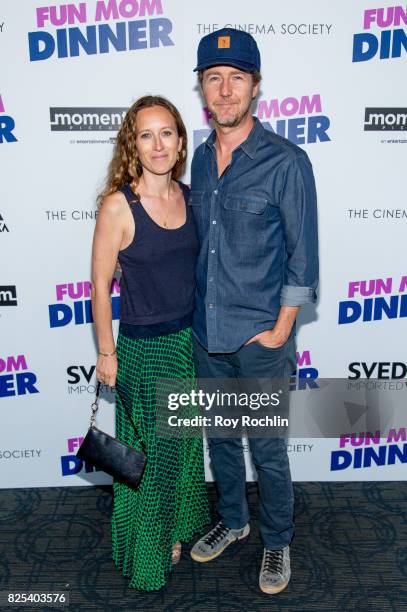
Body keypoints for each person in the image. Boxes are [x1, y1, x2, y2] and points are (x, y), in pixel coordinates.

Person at [189, 29, 319, 595]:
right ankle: (235, 522)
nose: (224, 90)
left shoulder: (287, 161)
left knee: (266, 449)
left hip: (259, 338)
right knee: (219, 441)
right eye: (213, 78)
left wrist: (281, 330)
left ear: (255, 87)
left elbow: (303, 256)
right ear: (202, 89)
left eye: (235, 78)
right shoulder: (195, 156)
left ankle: (276, 540)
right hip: (205, 332)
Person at [91, 95, 210, 591]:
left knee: (182, 451)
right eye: (146, 134)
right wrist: (106, 351)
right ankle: (145, 553)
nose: (158, 144)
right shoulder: (119, 205)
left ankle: (175, 532)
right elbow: (99, 286)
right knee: (150, 460)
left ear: (181, 141)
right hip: (142, 351)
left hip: (188, 345)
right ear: (133, 145)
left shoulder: (190, 195)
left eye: (167, 133)